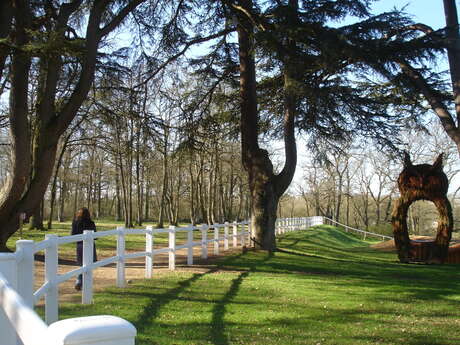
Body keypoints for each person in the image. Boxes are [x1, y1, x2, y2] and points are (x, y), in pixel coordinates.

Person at [71, 207, 97, 291]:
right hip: (89, 245)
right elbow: (95, 236)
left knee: (81, 264)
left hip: (79, 245)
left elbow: (73, 235)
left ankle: (79, 281)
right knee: (89, 264)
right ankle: (81, 281)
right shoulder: (91, 222)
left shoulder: (75, 222)